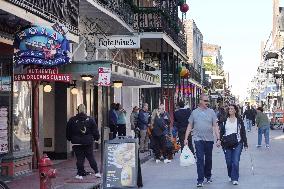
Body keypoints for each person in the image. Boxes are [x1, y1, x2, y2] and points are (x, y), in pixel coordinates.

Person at [184, 94, 221, 187]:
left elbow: (215, 126)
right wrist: (185, 138)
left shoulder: (212, 112)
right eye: (205, 101)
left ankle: (208, 176)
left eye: (207, 101)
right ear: (200, 101)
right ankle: (200, 179)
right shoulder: (194, 112)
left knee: (208, 159)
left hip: (209, 140)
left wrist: (218, 138)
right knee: (200, 159)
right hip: (198, 139)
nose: (207, 103)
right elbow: (189, 125)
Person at [66, 104, 101, 179]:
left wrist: (69, 138)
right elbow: (95, 131)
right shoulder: (90, 119)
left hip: (77, 142)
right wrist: (96, 138)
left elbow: (68, 131)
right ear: (85, 110)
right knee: (90, 157)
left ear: (77, 110)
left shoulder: (72, 120)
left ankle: (80, 174)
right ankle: (97, 172)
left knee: (79, 158)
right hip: (88, 142)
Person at [220, 104, 248, 185]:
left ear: (235, 110)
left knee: (235, 161)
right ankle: (230, 175)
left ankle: (235, 178)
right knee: (229, 162)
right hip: (226, 143)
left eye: (232, 109)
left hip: (238, 143)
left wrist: (245, 143)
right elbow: (221, 131)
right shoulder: (225, 120)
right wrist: (219, 140)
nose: (230, 110)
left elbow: (243, 132)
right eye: (229, 109)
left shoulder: (239, 120)